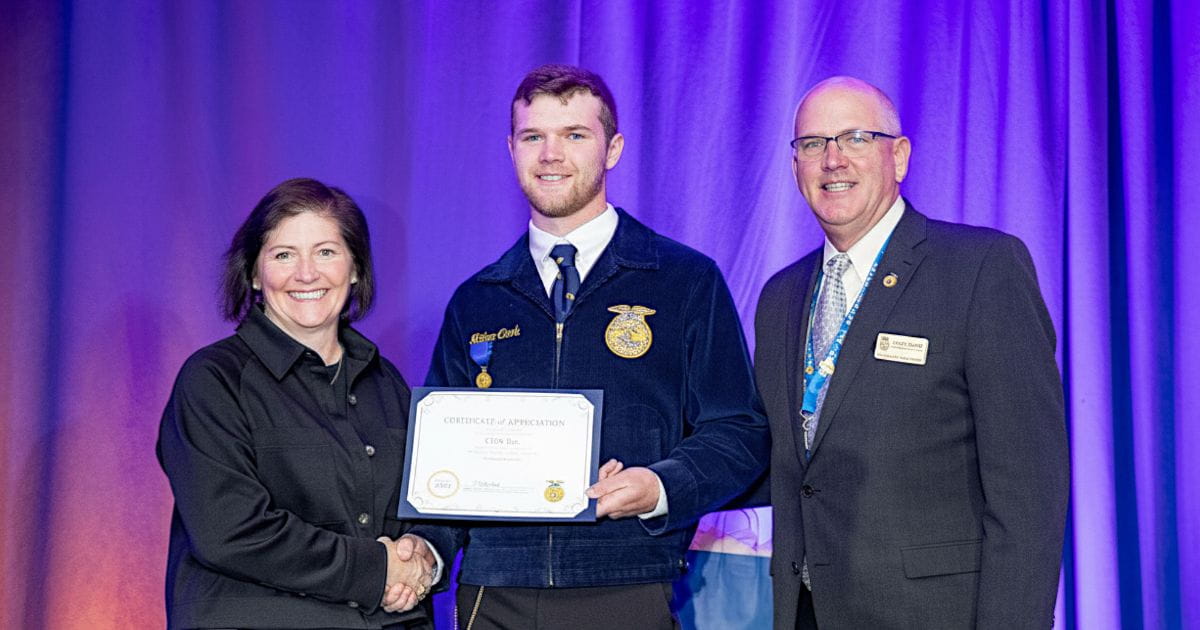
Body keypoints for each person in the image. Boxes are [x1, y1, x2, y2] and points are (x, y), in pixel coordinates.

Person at [410, 64, 770, 630]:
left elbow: (739, 431)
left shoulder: (683, 280)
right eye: (534, 137)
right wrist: (425, 550)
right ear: (511, 149)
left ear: (613, 148)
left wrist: (659, 486)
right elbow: (442, 463)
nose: (551, 154)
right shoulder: (476, 300)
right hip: (494, 589)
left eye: (574, 135)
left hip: (626, 580)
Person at [755, 77, 1070, 629]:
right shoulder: (780, 296)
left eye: (855, 138)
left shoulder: (981, 269)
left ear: (897, 156)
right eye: (813, 144)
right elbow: (782, 458)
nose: (832, 160)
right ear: (794, 166)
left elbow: (1029, 496)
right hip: (807, 613)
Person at [157, 178, 436, 629]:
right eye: (283, 255)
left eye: (326, 252)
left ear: (356, 269)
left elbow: (420, 512)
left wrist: (422, 557)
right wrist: (376, 570)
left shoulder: (387, 385)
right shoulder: (213, 380)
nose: (306, 273)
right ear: (253, 273)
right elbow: (231, 532)